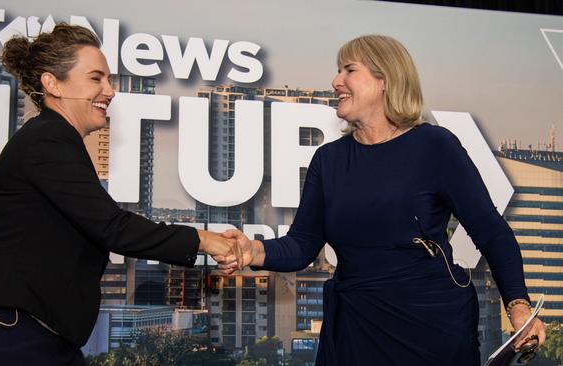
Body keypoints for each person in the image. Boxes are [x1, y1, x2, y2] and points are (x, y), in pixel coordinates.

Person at [217, 35, 546, 365]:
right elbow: (302, 244)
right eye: (337, 71)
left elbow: (491, 231)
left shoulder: (435, 146)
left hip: (432, 330)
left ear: (385, 80)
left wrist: (518, 306)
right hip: (353, 330)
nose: (336, 81)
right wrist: (253, 250)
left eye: (349, 70)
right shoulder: (328, 160)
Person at [0, 24, 236, 366]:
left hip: (39, 338)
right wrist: (206, 240)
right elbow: (112, 227)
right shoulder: (48, 140)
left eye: (108, 79)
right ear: (52, 83)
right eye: (96, 79)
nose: (109, 91)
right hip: (8, 339)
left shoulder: (55, 140)